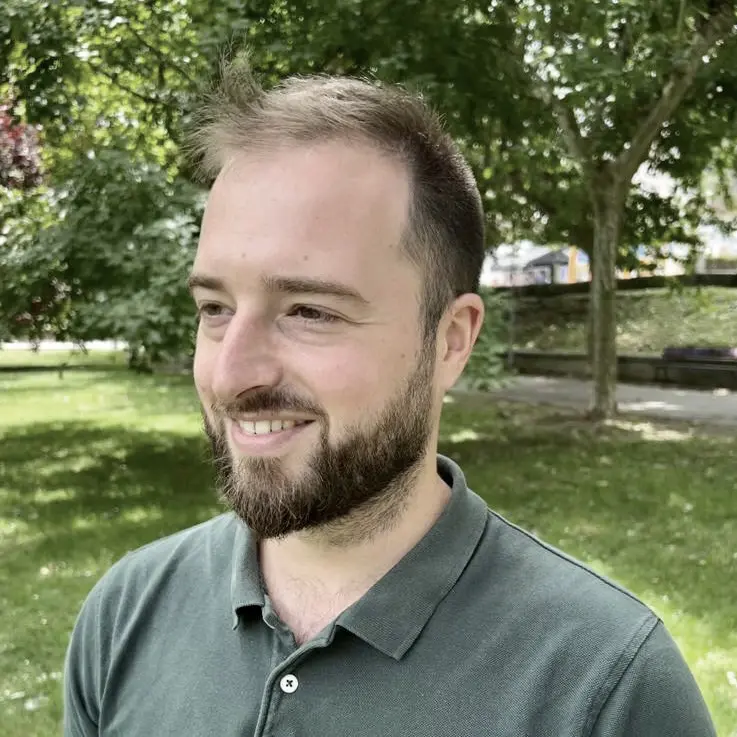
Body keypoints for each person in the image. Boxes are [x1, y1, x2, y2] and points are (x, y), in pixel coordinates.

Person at [63, 56, 716, 737]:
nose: (230, 376)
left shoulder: (605, 688)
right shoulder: (126, 614)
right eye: (215, 307)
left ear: (451, 341)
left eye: (309, 311)